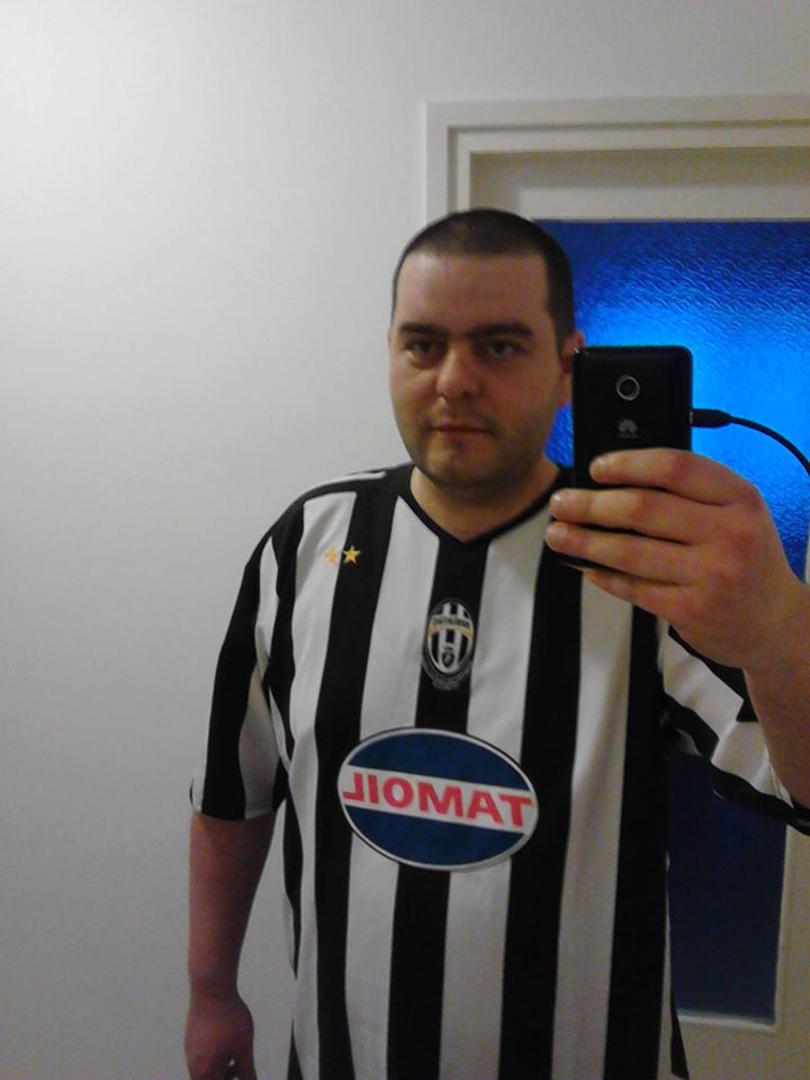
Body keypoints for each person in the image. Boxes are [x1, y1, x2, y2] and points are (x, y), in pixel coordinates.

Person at [185, 209, 810, 1080]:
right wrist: (211, 990)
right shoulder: (306, 546)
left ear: (567, 368)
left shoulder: (646, 562)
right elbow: (234, 792)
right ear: (391, 353)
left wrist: (782, 629)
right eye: (423, 345)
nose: (454, 380)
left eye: (500, 346)